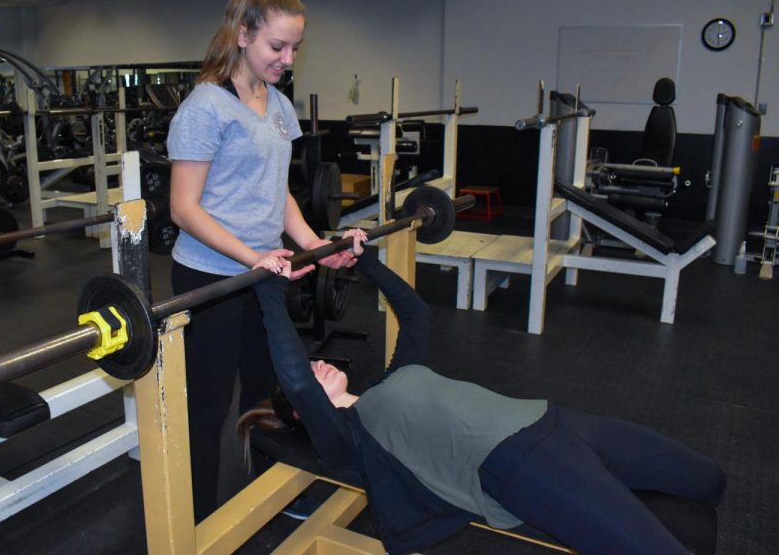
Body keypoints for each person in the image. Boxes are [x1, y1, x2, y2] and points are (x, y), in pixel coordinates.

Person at [245, 230, 726, 555]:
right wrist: (271, 288)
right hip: (521, 466)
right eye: (312, 370)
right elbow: (296, 377)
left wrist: (365, 259)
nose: (319, 362)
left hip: (557, 420)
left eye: (317, 360)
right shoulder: (351, 443)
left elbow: (416, 315)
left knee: (710, 482)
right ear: (304, 415)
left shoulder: (394, 379)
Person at [167, 0, 353, 521]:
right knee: (208, 403)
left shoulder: (277, 105)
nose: (288, 59)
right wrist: (255, 257)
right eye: (278, 45)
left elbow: (280, 196)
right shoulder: (205, 106)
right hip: (210, 278)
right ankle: (195, 516)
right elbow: (183, 207)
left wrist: (317, 247)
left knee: (265, 389)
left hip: (262, 273)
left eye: (296, 48)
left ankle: (267, 495)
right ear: (243, 33)